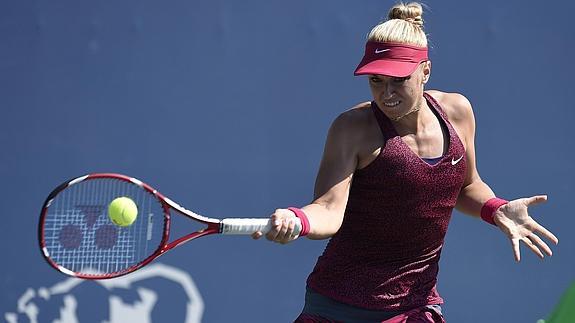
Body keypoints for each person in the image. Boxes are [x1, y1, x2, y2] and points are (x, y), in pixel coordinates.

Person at [252, 2, 559, 322]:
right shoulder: (353, 129)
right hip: (338, 306)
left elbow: (465, 185)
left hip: (415, 305)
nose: (387, 94)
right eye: (376, 81)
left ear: (425, 70)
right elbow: (329, 209)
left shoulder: (457, 113)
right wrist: (297, 220)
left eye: (398, 80)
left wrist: (496, 209)